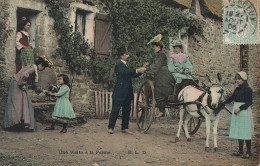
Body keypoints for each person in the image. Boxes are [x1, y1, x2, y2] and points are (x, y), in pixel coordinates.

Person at [4, 55, 53, 131]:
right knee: (17, 103)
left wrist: (43, 91)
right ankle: (14, 124)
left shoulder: (33, 69)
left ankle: (21, 123)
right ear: (40, 65)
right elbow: (24, 75)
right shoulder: (33, 68)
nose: (43, 69)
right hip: (17, 83)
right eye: (43, 67)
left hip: (19, 84)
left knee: (23, 103)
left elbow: (35, 84)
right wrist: (22, 83)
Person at [108, 47, 146, 134]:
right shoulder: (119, 65)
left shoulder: (126, 66)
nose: (128, 56)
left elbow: (131, 74)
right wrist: (137, 70)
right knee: (115, 109)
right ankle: (110, 127)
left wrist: (141, 71)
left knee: (127, 110)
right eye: (126, 54)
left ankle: (125, 128)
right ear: (122, 56)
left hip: (128, 92)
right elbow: (126, 72)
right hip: (119, 91)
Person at [224, 71, 254, 158]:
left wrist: (240, 108)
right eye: (236, 79)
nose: (237, 80)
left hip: (244, 111)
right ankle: (240, 151)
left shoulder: (248, 90)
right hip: (236, 110)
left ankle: (248, 152)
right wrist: (224, 102)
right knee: (239, 130)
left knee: (246, 130)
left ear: (243, 79)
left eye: (239, 79)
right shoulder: (237, 89)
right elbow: (232, 98)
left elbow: (249, 102)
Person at [147, 41, 175, 118]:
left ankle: (162, 111)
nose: (153, 49)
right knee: (164, 91)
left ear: (158, 47)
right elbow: (156, 64)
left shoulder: (161, 55)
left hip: (163, 76)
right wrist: (149, 66)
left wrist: (147, 68)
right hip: (164, 75)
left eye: (154, 47)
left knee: (158, 92)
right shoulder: (159, 55)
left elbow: (157, 66)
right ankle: (162, 109)